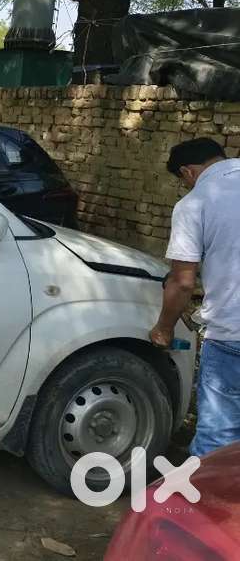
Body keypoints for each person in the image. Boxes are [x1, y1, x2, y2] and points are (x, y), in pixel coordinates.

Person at [150, 137, 240, 457]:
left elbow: (183, 282)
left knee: (219, 437)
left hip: (233, 335)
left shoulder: (194, 204)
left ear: (188, 172)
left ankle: (210, 505)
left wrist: (163, 328)